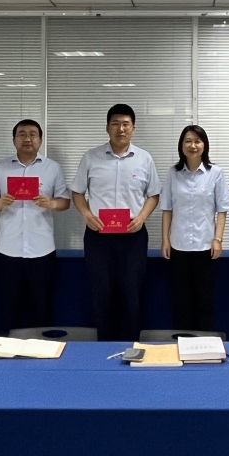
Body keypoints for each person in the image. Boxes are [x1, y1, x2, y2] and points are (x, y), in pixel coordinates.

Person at [70, 104, 161, 341]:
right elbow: (77, 192)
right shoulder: (91, 157)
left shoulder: (144, 158)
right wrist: (87, 215)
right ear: (107, 128)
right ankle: (104, 346)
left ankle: (130, 346)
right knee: (101, 293)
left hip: (133, 236)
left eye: (126, 124)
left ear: (133, 128)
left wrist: (142, 217)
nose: (121, 129)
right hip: (99, 236)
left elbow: (154, 194)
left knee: (132, 293)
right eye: (115, 124)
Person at [0, 118, 70, 332]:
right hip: (7, 249)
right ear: (14, 139)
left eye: (33, 134)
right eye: (22, 134)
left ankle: (40, 349)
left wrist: (51, 203)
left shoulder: (52, 168)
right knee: (7, 309)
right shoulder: (1, 168)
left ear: (40, 140)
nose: (27, 138)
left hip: (41, 250)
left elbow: (65, 202)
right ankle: (8, 349)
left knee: (41, 309)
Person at [160, 125, 229, 331]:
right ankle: (182, 342)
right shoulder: (173, 173)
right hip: (178, 247)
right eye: (188, 141)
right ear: (181, 145)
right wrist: (165, 240)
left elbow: (222, 209)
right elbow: (167, 209)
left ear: (204, 145)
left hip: (205, 248)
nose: (193, 145)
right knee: (180, 302)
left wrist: (218, 239)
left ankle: (205, 344)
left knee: (205, 302)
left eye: (197, 141)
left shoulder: (215, 173)